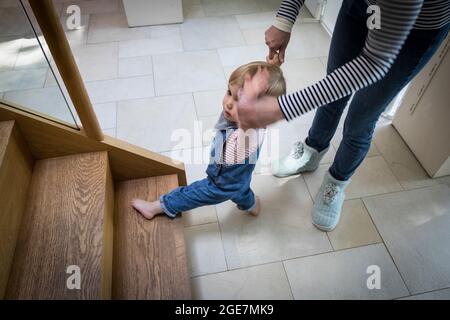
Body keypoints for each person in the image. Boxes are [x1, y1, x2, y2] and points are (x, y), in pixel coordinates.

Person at [236, 0, 450, 231]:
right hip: (360, 6)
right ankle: (312, 151)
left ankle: (336, 182)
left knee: (362, 118)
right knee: (333, 92)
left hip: (415, 31)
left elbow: (374, 62)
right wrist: (285, 18)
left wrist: (281, 108)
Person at [131, 61, 286, 220]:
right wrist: (271, 67)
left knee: (195, 193)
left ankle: (158, 206)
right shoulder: (254, 118)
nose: (229, 103)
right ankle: (252, 203)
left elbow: (233, 150)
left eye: (241, 102)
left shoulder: (247, 136)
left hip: (222, 183)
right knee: (241, 189)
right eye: (229, 92)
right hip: (239, 178)